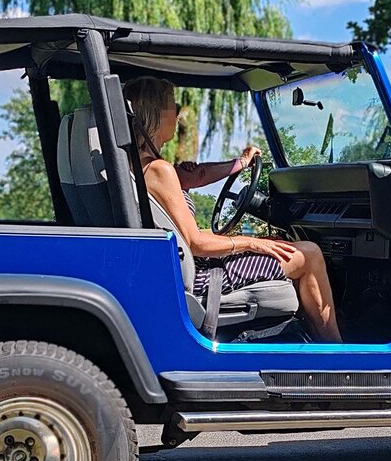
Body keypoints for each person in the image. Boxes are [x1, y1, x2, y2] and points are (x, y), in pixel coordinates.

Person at [122, 76, 342, 342]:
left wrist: (240, 163)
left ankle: (306, 343)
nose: (179, 113)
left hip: (185, 266)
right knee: (310, 254)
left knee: (279, 246)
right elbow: (194, 243)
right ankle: (338, 354)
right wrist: (252, 243)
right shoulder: (159, 170)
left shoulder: (137, 165)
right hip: (203, 277)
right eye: (173, 106)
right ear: (154, 113)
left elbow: (194, 192)